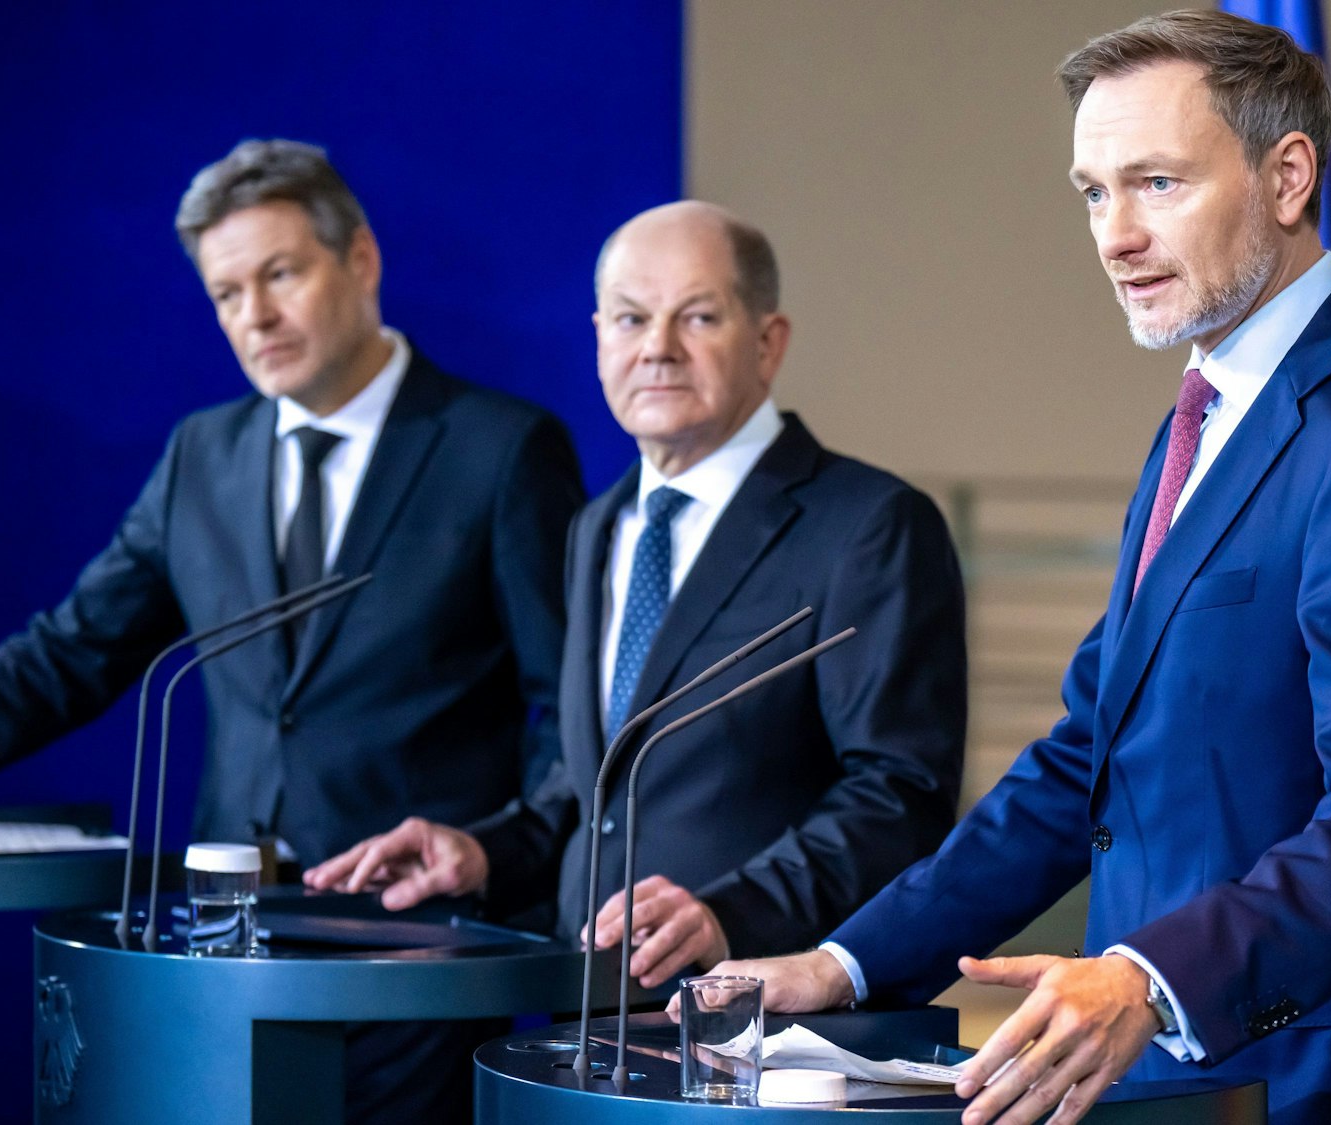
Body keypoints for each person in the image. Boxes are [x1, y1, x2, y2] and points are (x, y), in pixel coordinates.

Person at [698, 12, 1331, 1125]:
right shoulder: (1202, 420)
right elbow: (1088, 756)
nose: (1115, 236)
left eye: (1156, 184)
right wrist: (844, 963)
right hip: (1158, 1083)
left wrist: (1151, 977)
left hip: (1320, 1087)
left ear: (1287, 178)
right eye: (1093, 192)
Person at [0, 138, 583, 1123]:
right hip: (221, 955)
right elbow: (72, 650)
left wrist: (495, 853)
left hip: (417, 953)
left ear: (359, 258)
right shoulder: (203, 452)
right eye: (226, 293)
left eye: (280, 274)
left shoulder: (500, 448)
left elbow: (571, 709)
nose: (255, 315)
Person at [307, 201, 967, 992]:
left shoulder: (869, 525)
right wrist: (484, 852)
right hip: (589, 1012)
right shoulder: (599, 525)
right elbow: (597, 783)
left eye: (698, 317)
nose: (657, 347)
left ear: (768, 342)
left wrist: (731, 912)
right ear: (599, 339)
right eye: (630, 319)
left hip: (759, 1018)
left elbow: (899, 794)